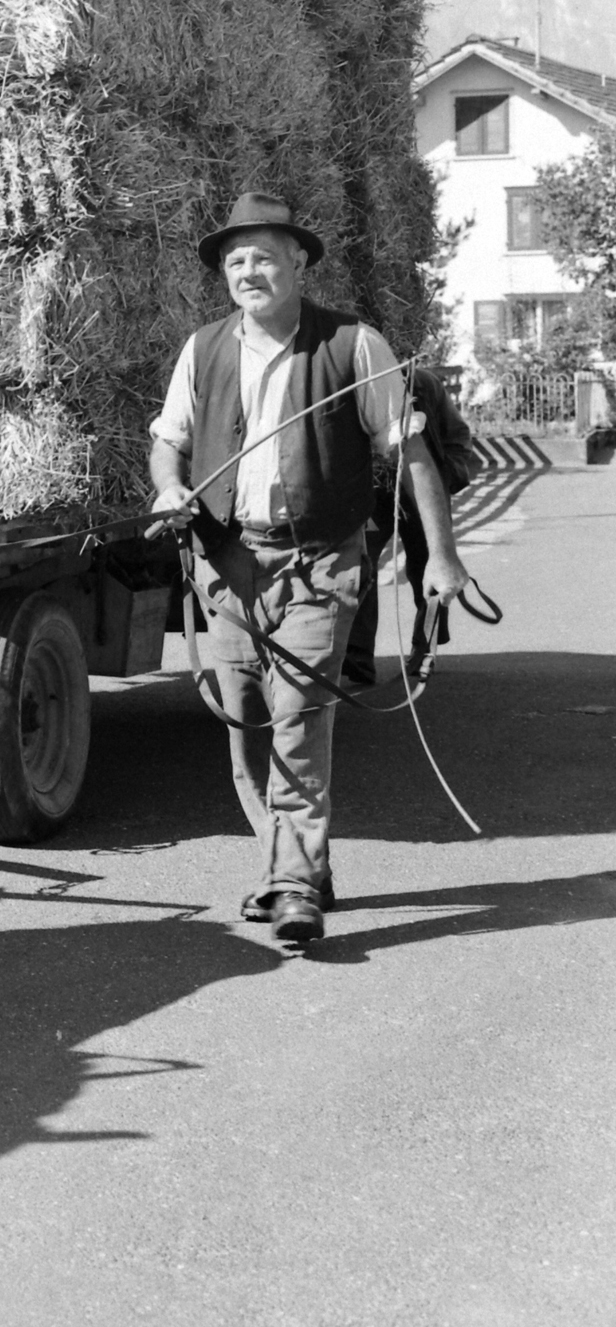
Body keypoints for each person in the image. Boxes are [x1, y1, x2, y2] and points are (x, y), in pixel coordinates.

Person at [148, 192, 471, 944]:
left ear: (299, 261)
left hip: (320, 564)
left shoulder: (355, 346)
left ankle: (292, 885)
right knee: (247, 727)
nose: (249, 271)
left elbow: (411, 453)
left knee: (297, 719)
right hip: (227, 565)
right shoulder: (203, 349)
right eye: (236, 261)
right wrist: (168, 485)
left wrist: (442, 560)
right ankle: (294, 863)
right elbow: (169, 439)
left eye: (264, 256)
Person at [342, 368, 475, 686]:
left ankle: (425, 648)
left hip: (421, 489)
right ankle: (357, 655)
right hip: (372, 493)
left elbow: (457, 438)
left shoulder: (425, 383)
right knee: (360, 566)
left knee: (427, 565)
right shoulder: (351, 380)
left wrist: (445, 478)